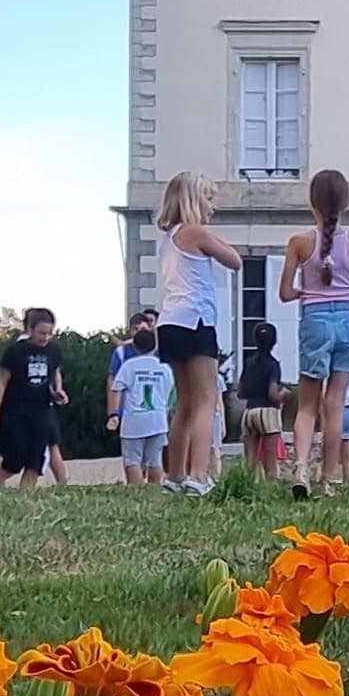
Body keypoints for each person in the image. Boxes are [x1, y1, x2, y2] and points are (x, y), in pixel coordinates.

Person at [280, 169, 349, 500]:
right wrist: (346, 289)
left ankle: (300, 469)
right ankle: (327, 480)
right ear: (346, 202)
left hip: (315, 321)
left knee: (308, 406)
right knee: (335, 404)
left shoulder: (299, 242)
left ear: (312, 202)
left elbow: (284, 292)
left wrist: (307, 291)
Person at [153, 172, 242, 496]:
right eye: (208, 198)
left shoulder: (169, 237)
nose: (212, 206)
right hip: (197, 320)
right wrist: (217, 239)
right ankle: (198, 474)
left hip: (170, 321)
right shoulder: (195, 232)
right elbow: (234, 261)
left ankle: (174, 475)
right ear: (193, 200)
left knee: (185, 403)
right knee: (206, 401)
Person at [0, 308, 68, 488]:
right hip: (15, 411)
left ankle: (25, 495)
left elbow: (55, 372)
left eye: (49, 333)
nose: (45, 338)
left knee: (36, 460)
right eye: (41, 333)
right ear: (30, 330)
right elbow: (2, 382)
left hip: (41, 411)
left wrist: (58, 390)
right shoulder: (16, 351)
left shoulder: (54, 350)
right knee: (14, 460)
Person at [107, 326, 173, 487]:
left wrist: (114, 414)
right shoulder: (164, 367)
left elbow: (116, 389)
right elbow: (170, 390)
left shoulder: (129, 366)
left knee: (132, 459)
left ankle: (136, 489)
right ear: (155, 345)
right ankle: (154, 488)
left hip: (134, 419)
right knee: (155, 459)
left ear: (134, 346)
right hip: (157, 419)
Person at [237, 323, 286, 480]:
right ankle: (271, 490)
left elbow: (240, 392)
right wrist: (284, 393)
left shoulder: (249, 363)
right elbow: (272, 394)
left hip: (249, 411)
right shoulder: (273, 365)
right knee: (270, 459)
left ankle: (246, 486)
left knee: (250, 460)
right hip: (267, 412)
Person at [110, 309, 159, 377]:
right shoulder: (122, 352)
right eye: (135, 329)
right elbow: (112, 377)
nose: (139, 332)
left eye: (143, 329)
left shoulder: (159, 350)